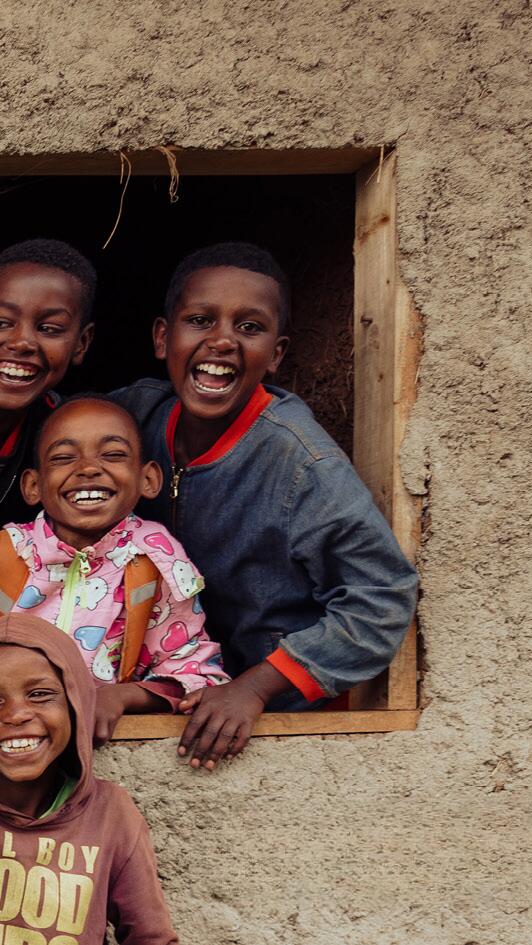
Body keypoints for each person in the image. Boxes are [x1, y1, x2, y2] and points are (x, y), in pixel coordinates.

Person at [111, 242, 417, 766]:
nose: (222, 340)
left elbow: (382, 598)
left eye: (249, 328)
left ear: (276, 353)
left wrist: (254, 688)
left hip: (279, 711)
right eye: (200, 319)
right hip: (171, 686)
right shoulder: (132, 415)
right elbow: (48, 438)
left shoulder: (302, 463)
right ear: (164, 337)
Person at [0, 615, 178, 945]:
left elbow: (151, 937)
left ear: (75, 706)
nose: (15, 715)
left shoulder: (110, 813)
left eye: (40, 694)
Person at [0, 397, 228, 745]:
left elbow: (193, 672)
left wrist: (121, 697)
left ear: (148, 478)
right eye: (63, 457)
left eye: (113, 454)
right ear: (33, 486)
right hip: (8, 740)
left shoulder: (153, 559)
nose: (87, 468)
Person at [0, 239, 98, 548]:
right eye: (0, 323)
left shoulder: (61, 437)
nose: (22, 342)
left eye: (50, 328)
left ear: (81, 343)